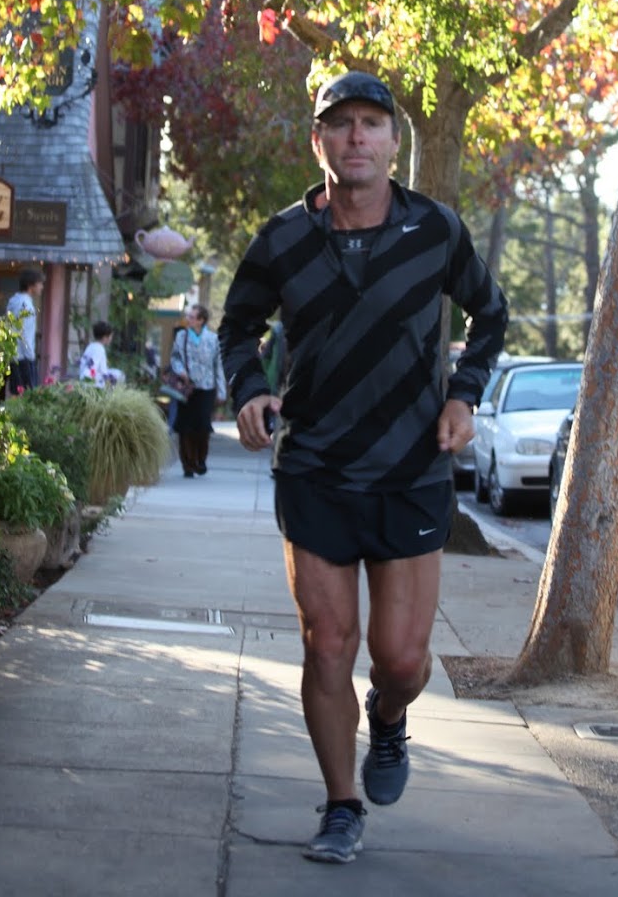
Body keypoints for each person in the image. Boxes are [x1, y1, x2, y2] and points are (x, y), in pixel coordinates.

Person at [219, 70, 507, 864]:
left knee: (403, 660)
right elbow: (238, 326)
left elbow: (490, 312)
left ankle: (388, 715)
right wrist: (249, 390)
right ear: (318, 141)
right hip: (314, 469)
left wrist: (465, 396)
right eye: (340, 124)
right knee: (326, 646)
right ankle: (341, 805)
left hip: (412, 470)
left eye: (371, 124)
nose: (356, 137)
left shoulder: (435, 230)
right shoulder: (282, 239)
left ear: (392, 141)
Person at [170, 304, 227, 478]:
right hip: (186, 388)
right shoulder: (181, 336)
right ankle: (188, 464)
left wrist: (221, 390)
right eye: (189, 316)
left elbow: (218, 366)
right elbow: (175, 358)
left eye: (192, 317)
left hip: (206, 387)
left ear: (201, 320)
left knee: (202, 425)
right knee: (185, 426)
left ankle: (201, 459)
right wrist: (181, 371)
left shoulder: (213, 339)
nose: (188, 319)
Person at [6, 266, 44, 394]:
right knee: (27, 395)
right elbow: (24, 334)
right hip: (23, 357)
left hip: (14, 354)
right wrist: (31, 357)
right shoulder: (25, 306)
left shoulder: (14, 301)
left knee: (17, 394)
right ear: (31, 285)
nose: (41, 287)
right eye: (39, 283)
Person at [79, 320, 125, 387]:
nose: (111, 338)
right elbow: (93, 368)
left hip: (84, 377)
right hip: (91, 381)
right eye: (110, 336)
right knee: (120, 375)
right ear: (105, 337)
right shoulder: (99, 349)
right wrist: (97, 379)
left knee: (115, 372)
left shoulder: (90, 346)